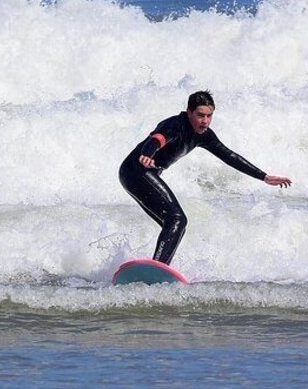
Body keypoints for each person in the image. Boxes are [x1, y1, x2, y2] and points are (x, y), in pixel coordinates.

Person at [118, 90, 291, 265]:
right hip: (136, 170)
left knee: (176, 225)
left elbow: (229, 156)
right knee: (177, 219)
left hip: (139, 175)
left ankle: (157, 268)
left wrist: (264, 177)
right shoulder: (175, 125)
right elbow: (157, 139)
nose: (205, 121)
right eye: (200, 115)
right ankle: (156, 268)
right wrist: (148, 154)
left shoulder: (204, 135)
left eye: (209, 116)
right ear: (189, 112)